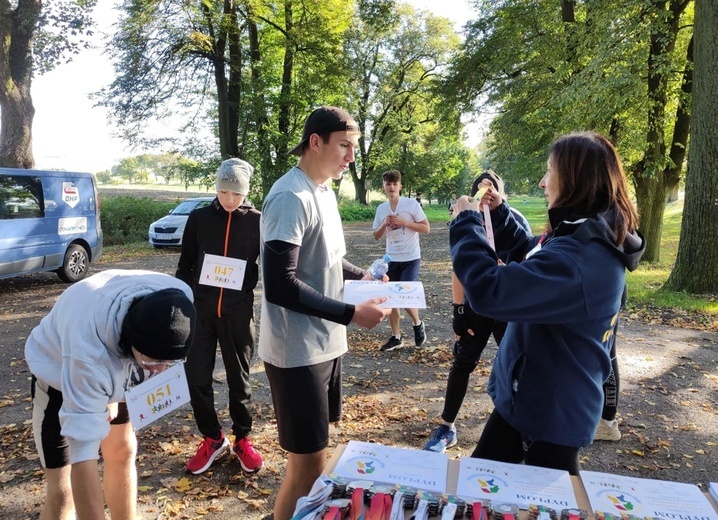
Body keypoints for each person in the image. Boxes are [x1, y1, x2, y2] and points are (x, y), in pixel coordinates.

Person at [449, 131, 645, 475]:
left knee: (542, 505)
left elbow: (489, 291)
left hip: (550, 417)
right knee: (479, 484)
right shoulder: (583, 232)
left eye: (549, 172)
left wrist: (466, 223)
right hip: (528, 401)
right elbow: (535, 254)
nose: (542, 183)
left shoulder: (582, 261)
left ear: (574, 181)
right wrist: (499, 215)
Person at [259, 105, 390, 520]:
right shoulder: (289, 196)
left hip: (325, 345)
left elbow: (331, 261)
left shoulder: (324, 191)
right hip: (297, 352)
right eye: (345, 146)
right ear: (316, 142)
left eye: (354, 147)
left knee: (317, 456)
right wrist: (353, 313)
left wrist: (364, 276)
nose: (351, 156)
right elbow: (281, 284)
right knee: (308, 465)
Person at [25, 270, 196, 520]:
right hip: (59, 375)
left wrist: (118, 393)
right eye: (152, 362)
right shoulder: (88, 355)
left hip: (111, 364)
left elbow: (156, 358)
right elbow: (84, 457)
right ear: (131, 343)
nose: (160, 371)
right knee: (64, 497)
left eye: (169, 362)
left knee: (123, 450)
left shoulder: (180, 301)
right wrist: (104, 396)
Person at [424, 170, 531, 453]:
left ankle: (524, 427)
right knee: (462, 362)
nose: (486, 195)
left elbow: (527, 264)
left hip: (507, 308)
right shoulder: (466, 219)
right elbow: (459, 268)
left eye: (492, 189)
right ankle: (446, 427)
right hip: (476, 307)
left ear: (501, 193)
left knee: (515, 365)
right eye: (480, 190)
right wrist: (458, 311)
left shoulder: (515, 220)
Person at [176, 158, 264, 475]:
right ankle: (213, 438)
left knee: (239, 380)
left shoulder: (257, 221)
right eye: (224, 191)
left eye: (236, 194)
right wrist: (182, 307)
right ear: (216, 188)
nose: (229, 199)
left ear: (246, 192)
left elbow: (273, 264)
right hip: (201, 312)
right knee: (196, 378)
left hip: (238, 313)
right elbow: (185, 267)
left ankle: (243, 438)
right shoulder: (199, 218)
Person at [372, 169, 431, 351]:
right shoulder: (381, 209)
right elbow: (376, 236)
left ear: (400, 186)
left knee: (404, 295)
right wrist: (384, 224)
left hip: (411, 257)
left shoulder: (411, 204)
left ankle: (417, 323)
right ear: (384, 186)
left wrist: (403, 222)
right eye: (388, 184)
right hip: (391, 258)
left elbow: (426, 228)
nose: (391, 187)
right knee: (391, 298)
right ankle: (396, 337)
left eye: (394, 184)